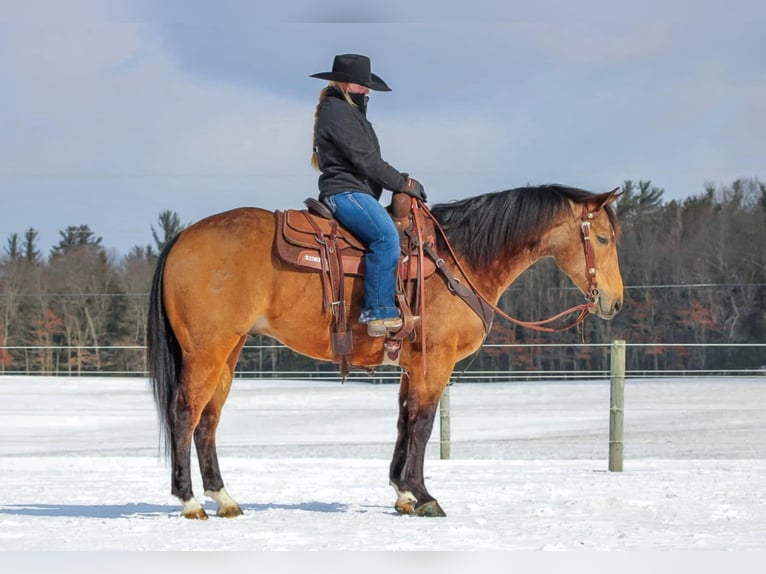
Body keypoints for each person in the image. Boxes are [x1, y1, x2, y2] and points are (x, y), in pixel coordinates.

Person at [310, 53, 426, 337]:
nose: (367, 90)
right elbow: (366, 161)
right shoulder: (338, 112)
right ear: (345, 84)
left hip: (355, 190)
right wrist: (403, 183)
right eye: (362, 85)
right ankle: (378, 312)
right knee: (385, 237)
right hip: (345, 192)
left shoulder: (346, 111)